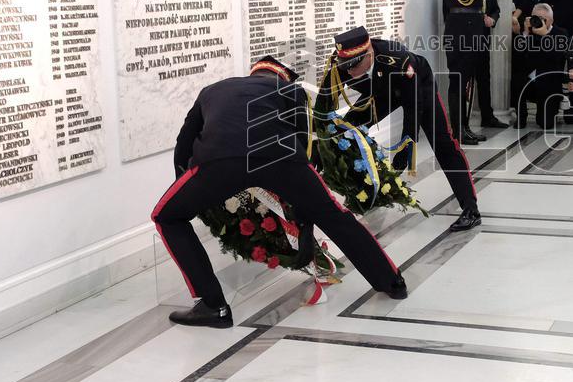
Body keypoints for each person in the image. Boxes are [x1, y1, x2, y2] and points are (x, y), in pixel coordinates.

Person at [153, 57, 407, 328]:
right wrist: (299, 195)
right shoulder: (290, 91)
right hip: (282, 158)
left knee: (166, 216)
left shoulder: (213, 89)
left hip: (218, 161)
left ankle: (213, 306)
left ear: (253, 74)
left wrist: (189, 187)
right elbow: (302, 140)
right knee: (335, 216)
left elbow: (184, 143)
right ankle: (391, 282)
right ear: (281, 77)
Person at [316, 27, 482, 232]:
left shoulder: (398, 60)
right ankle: (366, 195)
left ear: (368, 55)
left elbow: (413, 108)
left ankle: (470, 210)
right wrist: (320, 141)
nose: (348, 71)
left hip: (418, 86)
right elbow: (322, 105)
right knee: (346, 132)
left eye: (353, 65)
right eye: (345, 65)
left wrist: (406, 147)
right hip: (380, 91)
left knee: (444, 144)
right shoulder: (340, 63)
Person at [440, 0, 488, 145]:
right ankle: (458, 130)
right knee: (459, 81)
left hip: (472, 31)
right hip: (461, 34)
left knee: (469, 81)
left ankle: (466, 127)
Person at [514, 3, 568, 128]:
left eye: (544, 19)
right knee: (517, 79)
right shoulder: (529, 32)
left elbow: (556, 57)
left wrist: (545, 35)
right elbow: (518, 56)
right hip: (531, 80)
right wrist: (525, 33)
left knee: (545, 123)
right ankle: (521, 117)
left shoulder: (561, 33)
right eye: (536, 18)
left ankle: (554, 105)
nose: (539, 22)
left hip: (549, 83)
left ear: (552, 20)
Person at [472, 0, 509, 131]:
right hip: (466, 37)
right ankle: (462, 121)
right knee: (465, 79)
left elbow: (495, 8)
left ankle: (487, 116)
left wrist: (492, 19)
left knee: (484, 76)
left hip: (483, 36)